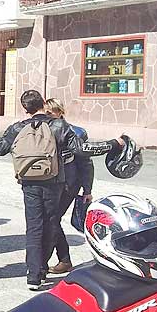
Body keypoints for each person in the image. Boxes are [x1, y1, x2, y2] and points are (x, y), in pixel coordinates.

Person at [0, 89, 122, 290]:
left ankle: (33, 275)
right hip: (54, 182)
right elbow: (82, 150)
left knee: (34, 227)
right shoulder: (59, 125)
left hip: (29, 182)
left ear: (25, 108)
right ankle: (42, 269)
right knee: (51, 223)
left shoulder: (18, 127)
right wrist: (114, 144)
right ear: (43, 103)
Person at [42, 98, 94, 275]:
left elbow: (85, 162)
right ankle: (63, 260)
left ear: (60, 112)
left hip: (68, 184)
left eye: (50, 112)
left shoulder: (76, 132)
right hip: (49, 182)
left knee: (52, 219)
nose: (47, 116)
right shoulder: (42, 130)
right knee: (51, 220)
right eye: (45, 113)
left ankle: (58, 260)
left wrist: (87, 189)